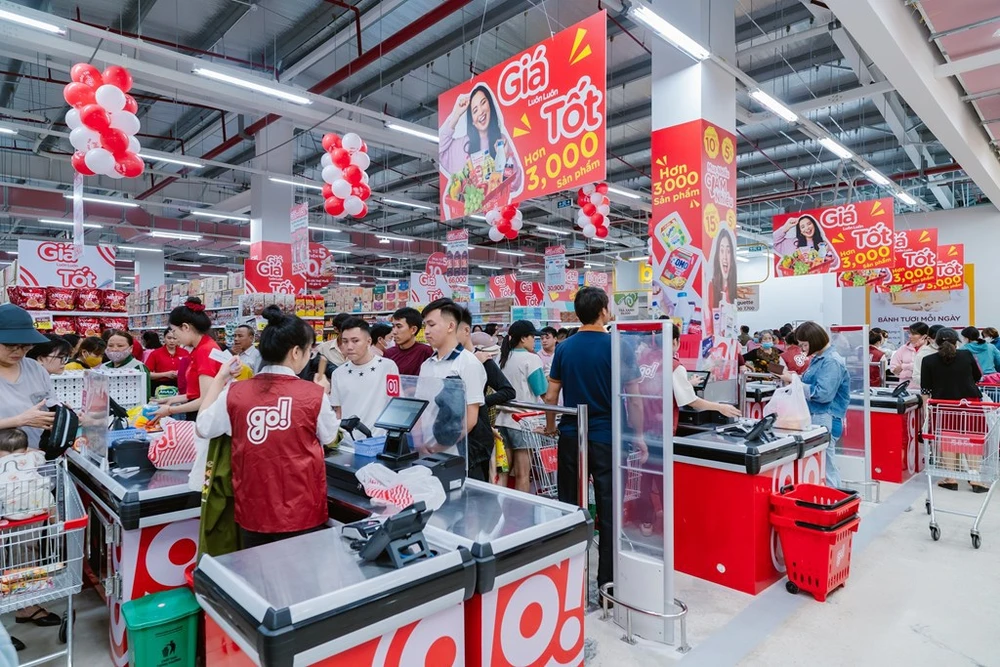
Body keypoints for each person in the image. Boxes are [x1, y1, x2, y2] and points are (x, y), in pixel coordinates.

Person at [196, 306, 336, 548]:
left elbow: (203, 427)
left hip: (252, 506)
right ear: (295, 352)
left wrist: (220, 378)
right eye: (308, 351)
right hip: (301, 508)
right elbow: (329, 434)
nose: (308, 357)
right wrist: (322, 393)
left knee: (256, 577)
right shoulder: (313, 394)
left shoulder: (235, 392)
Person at [544, 287, 646, 591]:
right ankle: (607, 583)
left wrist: (551, 426)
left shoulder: (563, 348)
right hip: (608, 437)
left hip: (572, 436)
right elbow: (636, 399)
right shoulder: (619, 346)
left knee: (571, 507)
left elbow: (551, 396)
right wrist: (638, 435)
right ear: (603, 310)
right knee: (609, 508)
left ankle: (571, 581)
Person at [633, 324, 741, 536]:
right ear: (674, 341)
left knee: (645, 477)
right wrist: (720, 406)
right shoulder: (674, 366)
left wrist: (685, 382)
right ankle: (668, 524)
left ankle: (645, 520)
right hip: (661, 430)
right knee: (664, 478)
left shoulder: (643, 360)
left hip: (639, 427)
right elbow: (691, 401)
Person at [0, 305, 62, 641]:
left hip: (29, 474)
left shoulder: (36, 370)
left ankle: (26, 604)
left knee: (26, 538)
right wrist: (17, 420)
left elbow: (50, 407)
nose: (18, 350)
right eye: (10, 344)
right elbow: (25, 417)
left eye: (24, 344)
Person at [418, 299, 488, 471]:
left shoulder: (468, 363)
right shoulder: (426, 364)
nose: (426, 331)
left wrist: (439, 448)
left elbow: (470, 419)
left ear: (450, 326)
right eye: (425, 325)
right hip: (423, 451)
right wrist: (419, 442)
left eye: (432, 325)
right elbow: (420, 407)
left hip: (453, 453)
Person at [781, 322, 849, 487]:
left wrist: (794, 381)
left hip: (825, 418)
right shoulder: (819, 358)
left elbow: (822, 394)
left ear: (815, 341)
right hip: (817, 416)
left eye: (805, 345)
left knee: (827, 467)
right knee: (822, 464)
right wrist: (796, 377)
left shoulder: (831, 361)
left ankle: (835, 502)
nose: (803, 349)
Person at [920, 327, 986, 492]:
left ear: (936, 342)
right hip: (970, 403)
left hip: (943, 405)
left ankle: (950, 478)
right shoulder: (966, 355)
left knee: (947, 439)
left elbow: (926, 390)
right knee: (972, 438)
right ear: (957, 341)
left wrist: (926, 413)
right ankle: (975, 478)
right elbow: (978, 376)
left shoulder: (928, 360)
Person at [440, 84, 523, 212]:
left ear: (490, 105)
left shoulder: (501, 140)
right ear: (472, 120)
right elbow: (439, 149)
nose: (481, 112)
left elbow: (515, 184)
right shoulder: (463, 145)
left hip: (497, 210)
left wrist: (506, 158)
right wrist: (456, 115)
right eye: (475, 110)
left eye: (483, 103)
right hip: (466, 212)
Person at [458, 310, 514, 482]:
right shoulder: (444, 361)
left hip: (476, 435)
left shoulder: (482, 361)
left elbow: (508, 391)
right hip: (453, 429)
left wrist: (479, 403)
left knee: (476, 486)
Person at [497, 321, 548, 492]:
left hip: (502, 420)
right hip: (523, 422)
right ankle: (523, 514)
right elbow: (542, 390)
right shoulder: (531, 359)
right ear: (523, 338)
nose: (535, 340)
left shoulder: (502, 357)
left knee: (502, 472)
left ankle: (498, 511)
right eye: (533, 336)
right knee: (523, 474)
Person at [329, 318, 400, 440]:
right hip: (348, 443)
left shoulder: (388, 367)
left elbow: (395, 404)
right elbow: (338, 411)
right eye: (345, 341)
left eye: (355, 341)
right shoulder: (338, 373)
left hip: (378, 441)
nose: (349, 347)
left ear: (368, 341)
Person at [152, 298, 222, 421]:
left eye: (174, 331)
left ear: (185, 327)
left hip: (205, 416)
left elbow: (206, 399)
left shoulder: (205, 350)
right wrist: (171, 400)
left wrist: (170, 410)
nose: (175, 337)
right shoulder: (200, 347)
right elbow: (197, 393)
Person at [773, 213, 838, 270]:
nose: (807, 228)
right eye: (802, 227)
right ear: (800, 231)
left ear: (814, 225)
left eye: (809, 224)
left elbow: (834, 263)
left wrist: (826, 253)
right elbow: (774, 242)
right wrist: (785, 228)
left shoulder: (822, 244)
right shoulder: (793, 243)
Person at [385, 307, 434, 376]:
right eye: (393, 326)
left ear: (413, 330)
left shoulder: (426, 352)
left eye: (399, 327)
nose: (394, 332)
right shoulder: (388, 353)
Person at [104, 330, 151, 401]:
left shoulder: (138, 367)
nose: (114, 349)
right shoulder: (104, 367)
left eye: (120, 346)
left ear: (131, 348)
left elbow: (145, 396)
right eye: (110, 346)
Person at [709, 228, 737, 309]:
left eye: (728, 251)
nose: (725, 257)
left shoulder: (734, 289)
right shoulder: (711, 287)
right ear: (717, 255)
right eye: (721, 251)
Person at [912, 324, 942, 392]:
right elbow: (916, 376)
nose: (941, 341)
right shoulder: (923, 354)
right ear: (929, 339)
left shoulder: (954, 350)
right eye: (937, 338)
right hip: (932, 392)